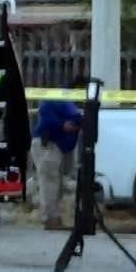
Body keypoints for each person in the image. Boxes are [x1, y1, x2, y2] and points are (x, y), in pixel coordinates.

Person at [32, 75, 87, 230]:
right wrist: (62, 126)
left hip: (58, 146)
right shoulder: (62, 98)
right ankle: (50, 219)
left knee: (56, 184)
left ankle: (53, 217)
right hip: (48, 145)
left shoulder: (69, 101)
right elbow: (46, 112)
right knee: (50, 182)